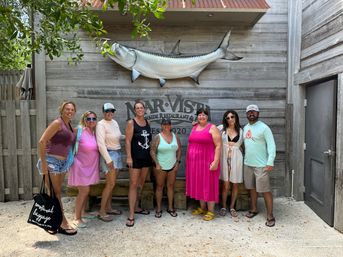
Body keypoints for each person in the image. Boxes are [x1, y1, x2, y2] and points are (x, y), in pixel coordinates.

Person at [38, 101, 77, 235]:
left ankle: (52, 221)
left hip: (61, 164)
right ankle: (62, 222)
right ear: (62, 110)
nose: (70, 111)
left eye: (72, 109)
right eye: (67, 109)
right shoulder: (57, 123)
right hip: (51, 162)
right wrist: (44, 164)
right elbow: (42, 141)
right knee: (56, 194)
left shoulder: (68, 125)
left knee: (55, 193)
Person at [243, 104, 276, 227]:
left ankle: (270, 215)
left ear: (258, 113)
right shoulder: (245, 128)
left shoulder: (264, 128)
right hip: (248, 164)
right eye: (249, 112)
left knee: (265, 190)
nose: (251, 113)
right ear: (246, 114)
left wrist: (270, 161)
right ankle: (254, 209)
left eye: (254, 111)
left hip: (261, 165)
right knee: (252, 188)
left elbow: (271, 145)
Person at [186, 108, 222, 221]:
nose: (202, 117)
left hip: (208, 161)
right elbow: (191, 142)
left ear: (207, 116)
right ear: (197, 116)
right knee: (200, 184)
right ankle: (202, 208)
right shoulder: (194, 127)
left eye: (204, 115)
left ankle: (211, 211)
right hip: (195, 163)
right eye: (200, 115)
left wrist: (216, 161)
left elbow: (218, 145)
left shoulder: (212, 128)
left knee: (209, 184)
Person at [68, 111, 100, 228]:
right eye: (89, 119)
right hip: (79, 166)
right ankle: (77, 218)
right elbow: (66, 141)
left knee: (87, 190)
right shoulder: (79, 130)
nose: (91, 121)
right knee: (84, 191)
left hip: (90, 166)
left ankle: (83, 212)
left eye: (93, 119)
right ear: (84, 119)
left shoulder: (93, 132)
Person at [125, 100, 152, 227]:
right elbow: (127, 141)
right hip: (135, 158)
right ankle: (131, 214)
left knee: (141, 183)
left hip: (146, 158)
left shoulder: (148, 123)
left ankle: (136, 207)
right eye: (137, 108)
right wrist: (129, 157)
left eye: (142, 107)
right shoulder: (131, 123)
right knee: (133, 184)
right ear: (135, 110)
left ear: (144, 109)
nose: (140, 109)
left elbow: (149, 141)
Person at [96, 103, 123, 222]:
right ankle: (101, 212)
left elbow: (118, 136)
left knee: (112, 184)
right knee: (110, 184)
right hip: (109, 154)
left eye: (112, 110)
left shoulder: (115, 122)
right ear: (103, 112)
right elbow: (101, 144)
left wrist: (129, 136)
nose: (110, 113)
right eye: (107, 111)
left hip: (117, 153)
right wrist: (108, 160)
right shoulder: (101, 125)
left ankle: (109, 207)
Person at [150, 118, 182, 218]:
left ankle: (170, 207)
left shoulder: (175, 136)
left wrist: (177, 162)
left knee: (171, 186)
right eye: (164, 124)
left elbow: (179, 149)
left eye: (168, 124)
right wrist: (157, 164)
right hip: (160, 167)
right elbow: (152, 151)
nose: (166, 126)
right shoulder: (158, 137)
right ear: (161, 125)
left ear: (171, 125)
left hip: (172, 166)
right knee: (159, 187)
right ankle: (159, 208)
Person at [217, 110, 243, 218]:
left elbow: (245, 144)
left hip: (237, 158)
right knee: (225, 184)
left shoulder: (241, 131)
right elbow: (208, 129)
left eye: (232, 117)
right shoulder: (221, 129)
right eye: (227, 118)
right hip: (224, 157)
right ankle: (223, 206)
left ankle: (232, 207)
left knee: (235, 184)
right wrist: (196, 123)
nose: (230, 119)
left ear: (236, 117)